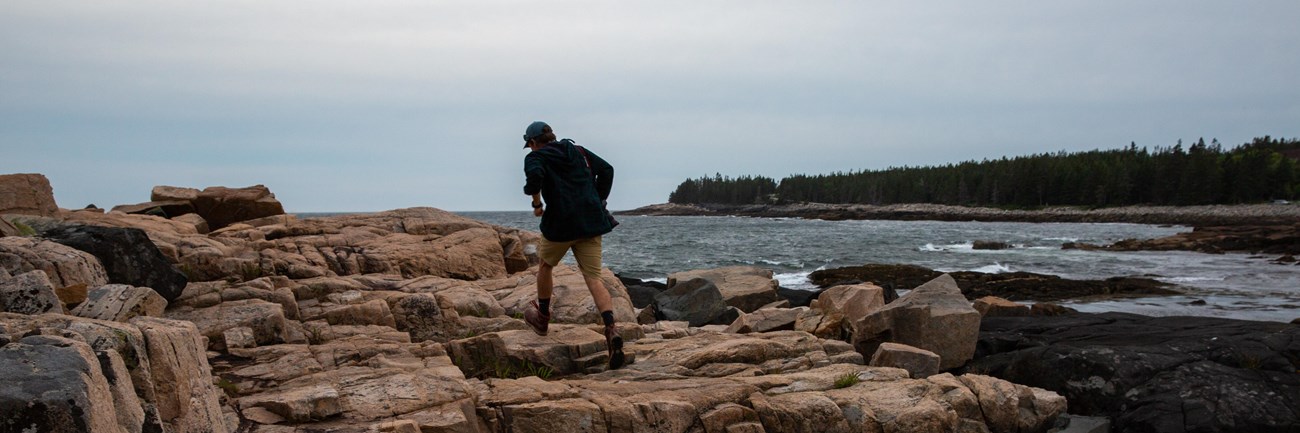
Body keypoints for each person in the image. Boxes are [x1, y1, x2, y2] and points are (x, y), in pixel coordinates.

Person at [519, 120, 624, 369]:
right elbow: (607, 170)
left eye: (529, 145)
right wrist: (598, 198)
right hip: (591, 222)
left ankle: (542, 317)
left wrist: (535, 200)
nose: (530, 149)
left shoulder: (536, 158)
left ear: (533, 142)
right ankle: (611, 328)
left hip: (561, 226)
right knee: (593, 277)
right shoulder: (578, 151)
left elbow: (534, 179)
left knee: (545, 265)